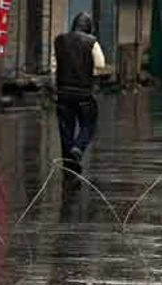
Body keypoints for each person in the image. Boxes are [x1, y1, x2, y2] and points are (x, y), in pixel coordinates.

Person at [53, 12, 106, 172]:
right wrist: (90, 72)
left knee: (65, 131)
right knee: (88, 124)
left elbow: (54, 65)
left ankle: (68, 167)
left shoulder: (60, 40)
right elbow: (100, 64)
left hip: (63, 94)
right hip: (84, 94)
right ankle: (78, 147)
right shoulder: (91, 42)